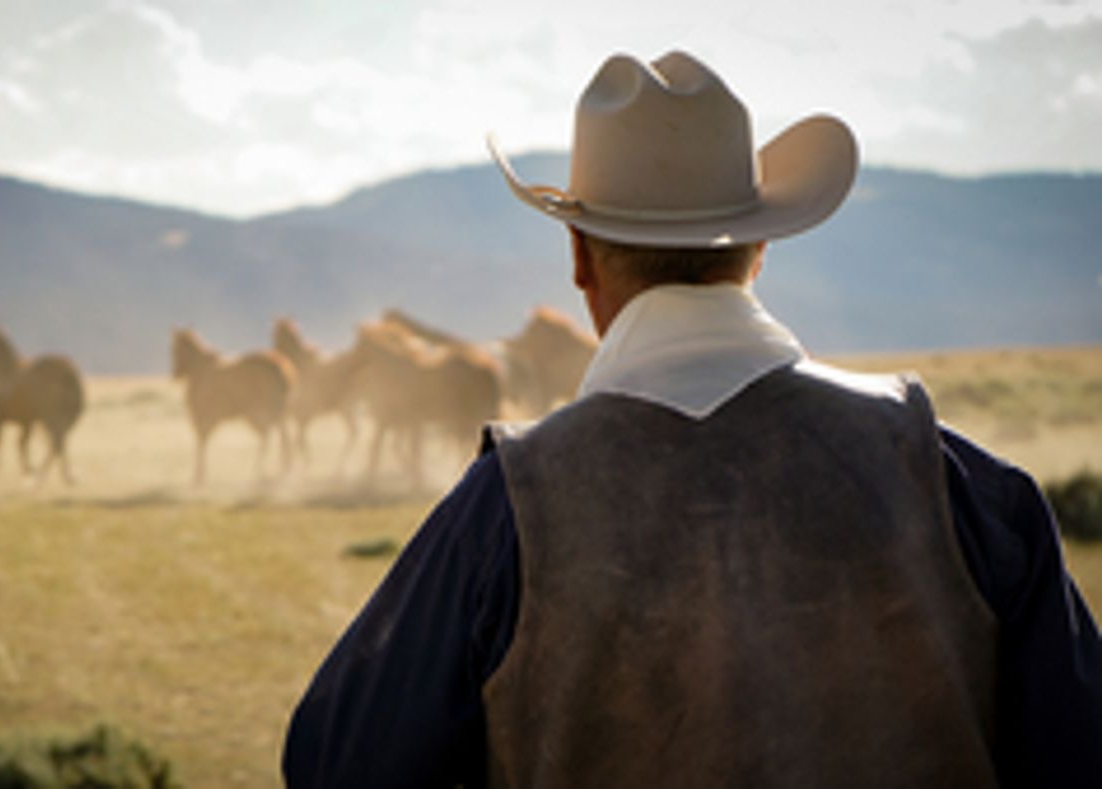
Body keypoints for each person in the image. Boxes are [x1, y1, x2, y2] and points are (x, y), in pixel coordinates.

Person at [282, 51, 1102, 787]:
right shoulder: (963, 484)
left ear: (577, 254)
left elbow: (335, 762)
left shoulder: (507, 508)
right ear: (760, 248)